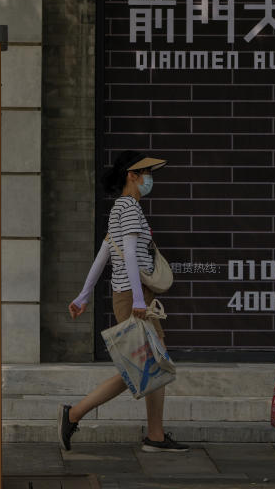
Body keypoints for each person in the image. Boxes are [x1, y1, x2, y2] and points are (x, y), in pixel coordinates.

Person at [58, 150, 188, 453]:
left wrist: (83, 295)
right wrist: (139, 300)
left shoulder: (121, 208)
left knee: (153, 362)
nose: (150, 179)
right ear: (132, 175)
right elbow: (128, 253)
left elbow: (105, 253)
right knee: (143, 364)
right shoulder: (129, 207)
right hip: (133, 296)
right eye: (146, 174)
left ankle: (155, 436)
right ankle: (75, 413)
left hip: (131, 294)